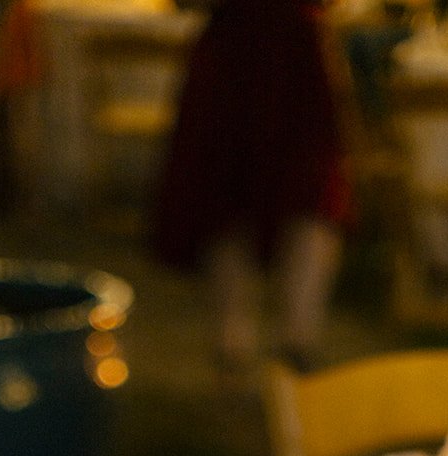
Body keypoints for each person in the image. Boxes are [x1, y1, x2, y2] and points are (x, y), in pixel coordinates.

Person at [151, 0, 355, 374]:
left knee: (306, 193)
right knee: (235, 193)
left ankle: (284, 346)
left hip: (278, 50)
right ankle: (253, 347)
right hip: (258, 49)